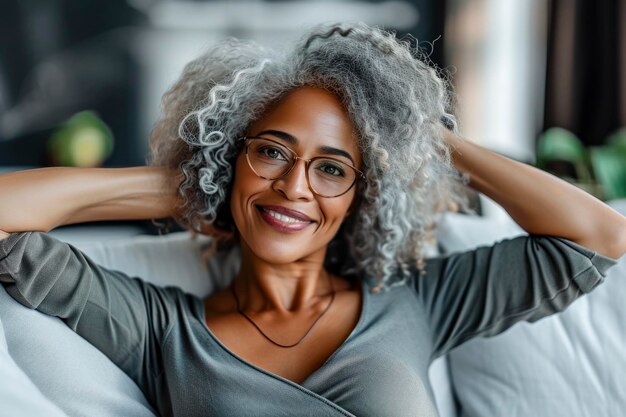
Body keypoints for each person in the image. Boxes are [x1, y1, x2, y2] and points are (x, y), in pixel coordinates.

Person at [0, 22, 624, 417]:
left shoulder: (419, 301)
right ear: (232, 158)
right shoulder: (161, 330)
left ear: (362, 191)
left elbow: (598, 237)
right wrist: (193, 184)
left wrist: (426, 137)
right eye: (270, 152)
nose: (294, 187)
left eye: (331, 168)